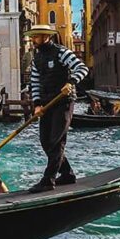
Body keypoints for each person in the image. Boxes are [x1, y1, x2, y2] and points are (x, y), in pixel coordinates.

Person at [27, 24, 89, 193]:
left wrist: (71, 82)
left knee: (56, 141)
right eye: (33, 37)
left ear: (47, 37)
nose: (33, 40)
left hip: (63, 102)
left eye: (37, 36)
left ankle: (48, 180)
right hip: (47, 104)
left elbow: (82, 68)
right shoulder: (36, 59)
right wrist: (37, 104)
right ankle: (67, 174)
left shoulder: (62, 52)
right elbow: (35, 83)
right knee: (45, 141)